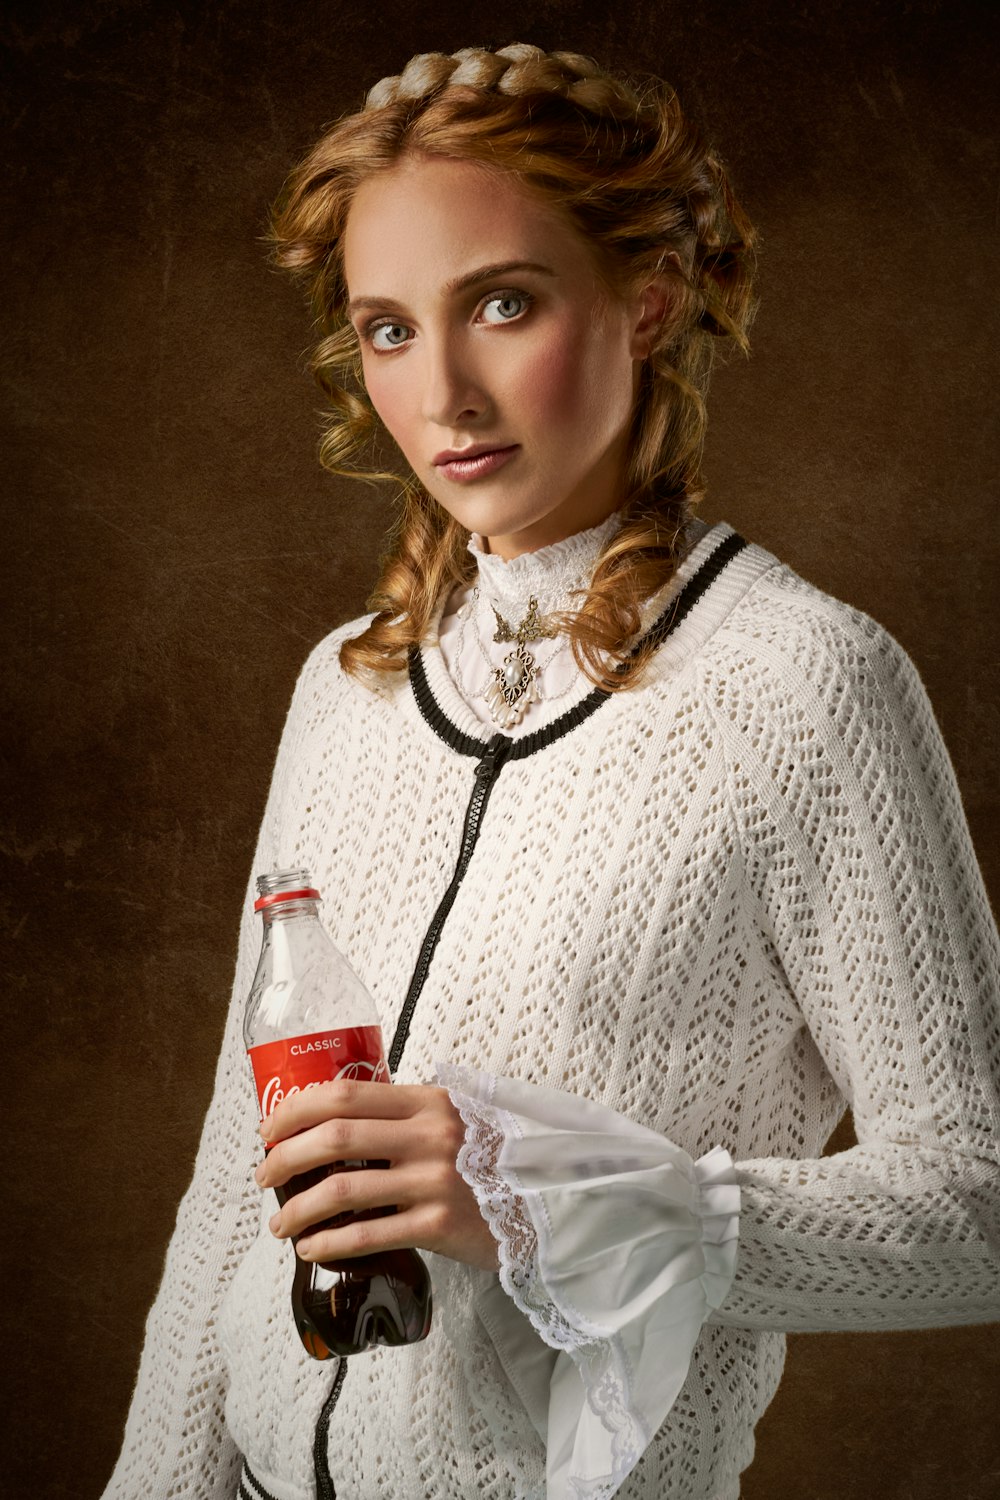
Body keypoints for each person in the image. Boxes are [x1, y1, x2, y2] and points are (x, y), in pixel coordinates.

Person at [102, 42, 1000, 1500]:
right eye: (386, 329)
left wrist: (552, 1200)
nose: (444, 390)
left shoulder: (803, 684)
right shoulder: (346, 685)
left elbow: (979, 1197)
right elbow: (234, 1176)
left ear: (647, 303)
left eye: (501, 305)